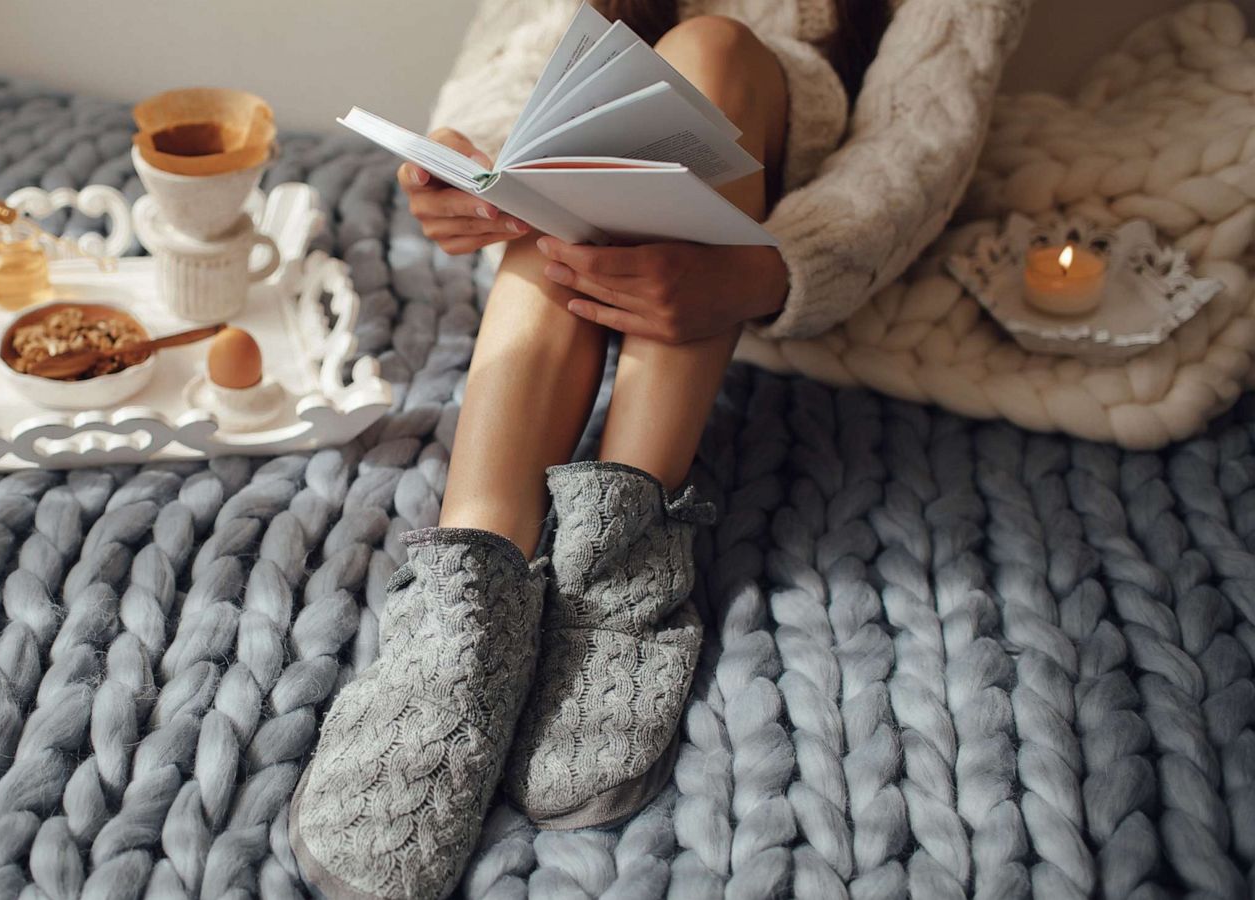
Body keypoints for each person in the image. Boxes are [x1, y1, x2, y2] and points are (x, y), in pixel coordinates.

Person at [289, 1, 1032, 897]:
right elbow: (523, 43)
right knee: (583, 141)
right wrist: (475, 165)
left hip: (773, 210)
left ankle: (619, 543)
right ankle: (472, 581)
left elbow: (920, 142)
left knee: (708, 52)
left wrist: (768, 269)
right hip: (575, 207)